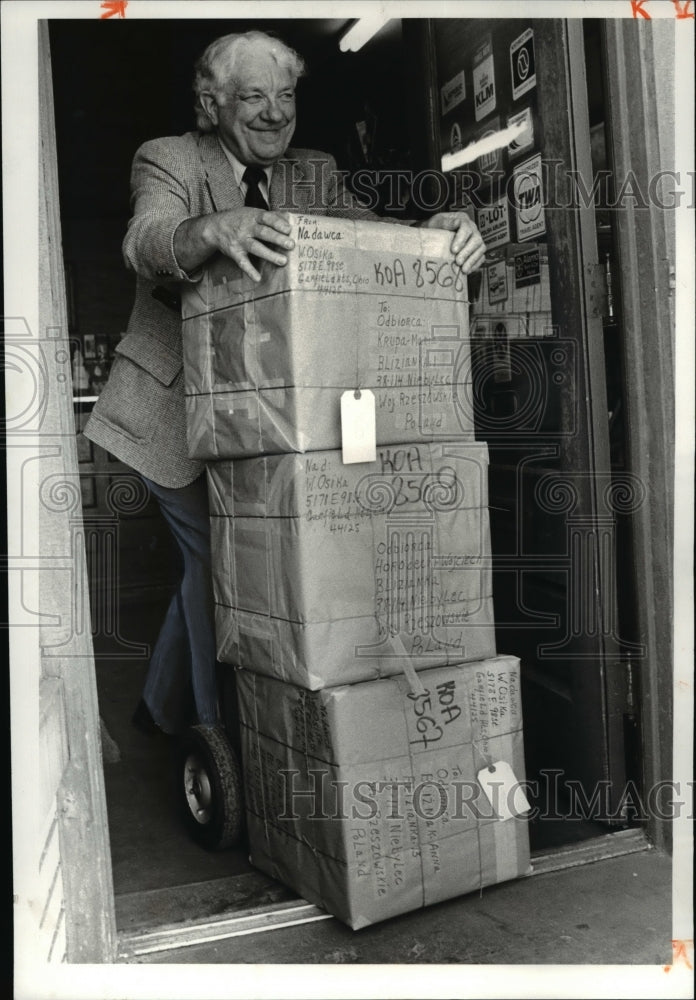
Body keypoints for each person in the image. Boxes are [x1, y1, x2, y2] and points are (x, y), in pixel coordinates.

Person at [84, 30, 486, 737]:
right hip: (169, 414)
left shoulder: (314, 171)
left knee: (209, 563)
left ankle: (155, 706)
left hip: (264, 412)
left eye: (286, 96)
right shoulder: (170, 157)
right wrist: (208, 227)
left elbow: (366, 238)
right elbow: (146, 238)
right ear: (212, 105)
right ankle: (223, 741)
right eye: (253, 96)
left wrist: (436, 234)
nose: (274, 113)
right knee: (226, 559)